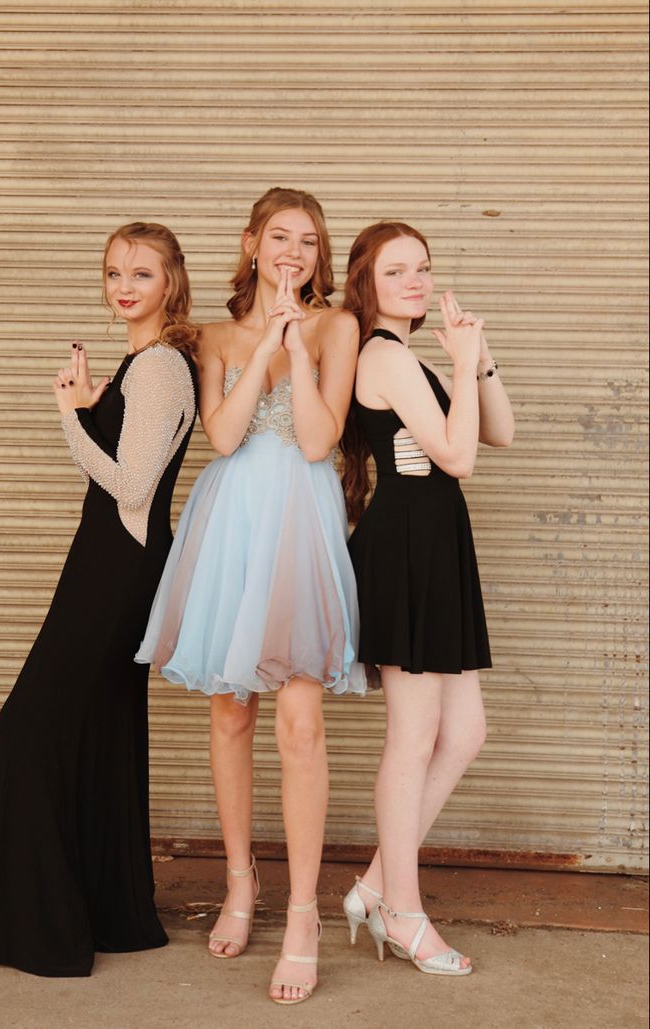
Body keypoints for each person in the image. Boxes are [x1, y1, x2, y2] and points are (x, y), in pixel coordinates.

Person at [137, 187, 366, 1004]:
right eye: (280, 237)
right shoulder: (215, 336)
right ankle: (241, 880)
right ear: (251, 243)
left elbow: (314, 438)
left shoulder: (338, 327)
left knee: (300, 722)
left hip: (299, 529)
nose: (294, 253)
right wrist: (260, 339)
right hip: (229, 526)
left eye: (308, 241)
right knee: (231, 708)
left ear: (319, 255)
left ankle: (302, 912)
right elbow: (225, 435)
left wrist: (297, 349)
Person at [0, 222, 199, 977]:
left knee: (29, 725)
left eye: (141, 273)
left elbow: (130, 487)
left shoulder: (161, 365)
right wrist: (99, 403)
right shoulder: (143, 363)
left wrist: (69, 413)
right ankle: (105, 914)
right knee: (97, 730)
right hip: (109, 559)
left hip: (117, 566)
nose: (123, 286)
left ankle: (46, 925)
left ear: (172, 282)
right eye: (111, 273)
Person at [340, 220, 514, 976]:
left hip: (438, 544)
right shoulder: (382, 354)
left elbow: (500, 428)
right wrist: (462, 363)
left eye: (423, 268)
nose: (414, 281)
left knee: (465, 732)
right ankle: (403, 912)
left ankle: (377, 882)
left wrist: (478, 362)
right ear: (367, 283)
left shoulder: (414, 357)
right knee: (412, 738)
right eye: (396, 270)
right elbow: (459, 456)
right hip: (407, 548)